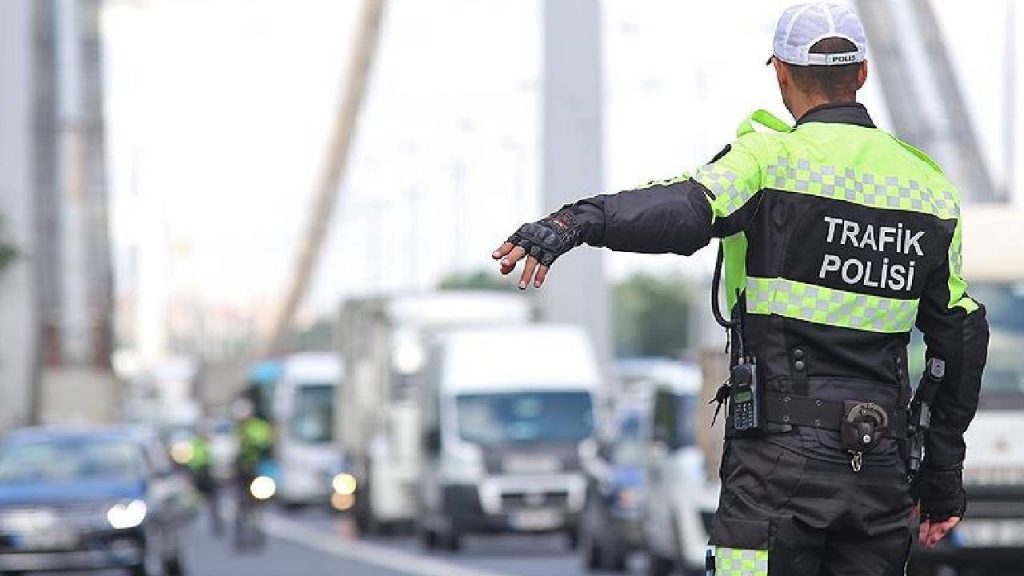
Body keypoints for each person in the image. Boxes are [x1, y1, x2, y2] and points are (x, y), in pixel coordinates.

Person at [492, 3, 989, 574]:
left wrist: (575, 222)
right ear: (862, 75)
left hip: (777, 465)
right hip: (879, 465)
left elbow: (681, 209)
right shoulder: (929, 189)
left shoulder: (768, 161)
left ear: (780, 72)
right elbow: (961, 343)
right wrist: (941, 479)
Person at [187, 425, 223, 537]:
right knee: (198, 500)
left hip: (210, 475)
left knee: (214, 501)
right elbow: (191, 461)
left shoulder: (213, 445)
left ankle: (216, 523)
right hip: (199, 475)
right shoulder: (195, 444)